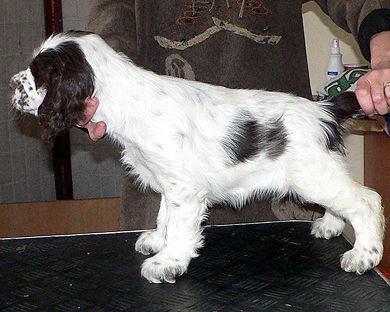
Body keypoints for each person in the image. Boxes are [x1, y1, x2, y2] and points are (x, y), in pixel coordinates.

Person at [80, 1, 390, 230]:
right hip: (161, 203)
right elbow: (108, 35)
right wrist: (87, 91)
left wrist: (386, 52)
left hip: (279, 191)